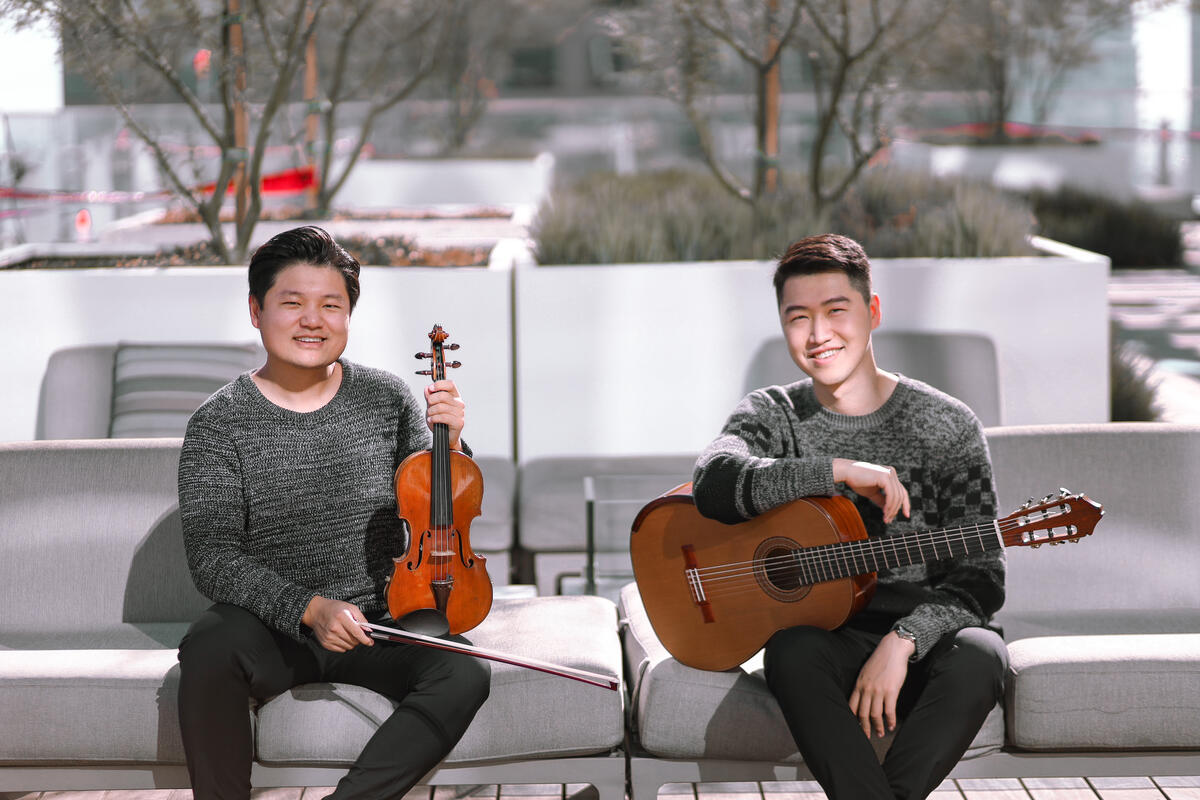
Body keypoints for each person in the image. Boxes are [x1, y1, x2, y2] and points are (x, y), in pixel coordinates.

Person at [176, 225, 490, 800]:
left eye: (331, 305)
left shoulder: (387, 397)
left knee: (463, 670)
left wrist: (452, 443)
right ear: (256, 310)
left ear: (349, 316)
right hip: (276, 631)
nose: (312, 320)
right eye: (291, 303)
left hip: (378, 621)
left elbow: (434, 508)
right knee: (209, 645)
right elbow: (212, 557)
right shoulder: (218, 423)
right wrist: (309, 608)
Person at [691, 234, 1007, 800]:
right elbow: (713, 484)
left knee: (983, 655)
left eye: (836, 311)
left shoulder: (949, 424)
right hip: (824, 641)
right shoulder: (772, 413)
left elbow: (980, 579)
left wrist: (904, 641)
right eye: (798, 318)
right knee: (791, 649)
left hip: (921, 643)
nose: (818, 335)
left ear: (872, 311)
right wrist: (836, 469)